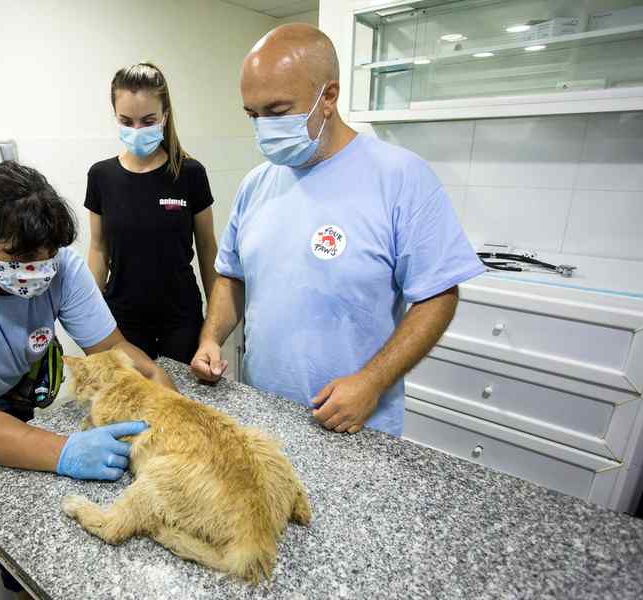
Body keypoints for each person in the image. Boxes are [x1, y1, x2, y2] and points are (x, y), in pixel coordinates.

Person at [191, 24, 485, 437]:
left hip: (354, 422)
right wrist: (211, 338)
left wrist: (372, 381)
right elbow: (231, 276)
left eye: (276, 112)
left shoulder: (400, 177)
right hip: (261, 413)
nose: (262, 127)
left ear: (327, 97)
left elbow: (438, 295)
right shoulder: (256, 184)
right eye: (252, 115)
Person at [0, 160, 174, 598]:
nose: (40, 269)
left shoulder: (57, 261)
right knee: (11, 506)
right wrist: (65, 450)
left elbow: (111, 349)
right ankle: (19, 579)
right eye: (21, 259)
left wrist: (160, 390)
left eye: (48, 256)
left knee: (42, 488)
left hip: (14, 386)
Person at [85, 62, 218, 364]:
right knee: (132, 404)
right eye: (126, 121)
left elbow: (208, 248)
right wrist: (89, 317)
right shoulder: (101, 176)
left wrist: (213, 326)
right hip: (123, 320)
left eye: (148, 121)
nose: (137, 130)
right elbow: (98, 248)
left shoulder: (190, 173)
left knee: (181, 404)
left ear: (165, 116)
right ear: (115, 118)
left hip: (180, 317)